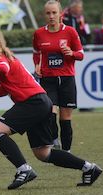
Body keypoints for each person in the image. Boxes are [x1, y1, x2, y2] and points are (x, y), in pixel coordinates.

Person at [0, 28, 102, 189]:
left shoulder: (0, 59)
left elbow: (2, 68)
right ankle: (89, 168)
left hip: (33, 103)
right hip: (41, 103)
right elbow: (5, 88)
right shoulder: (4, 56)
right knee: (43, 154)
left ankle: (24, 169)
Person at [33, 0, 84, 152]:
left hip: (67, 79)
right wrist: (37, 64)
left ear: (60, 14)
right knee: (48, 112)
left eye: (54, 12)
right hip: (48, 79)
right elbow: (36, 52)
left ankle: (66, 152)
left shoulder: (70, 32)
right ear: (44, 15)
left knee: (65, 119)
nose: (51, 16)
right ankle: (54, 140)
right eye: (48, 13)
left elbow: (81, 55)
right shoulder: (39, 33)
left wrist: (72, 53)